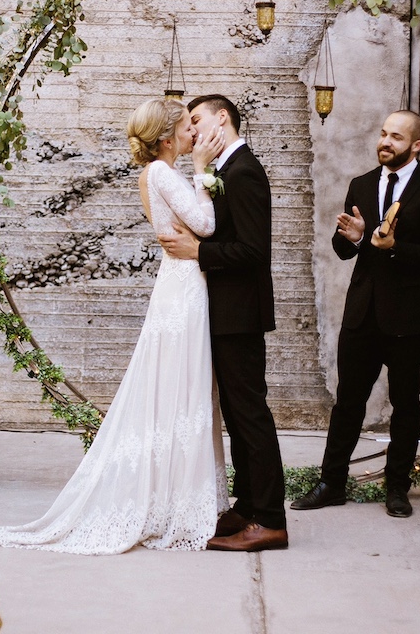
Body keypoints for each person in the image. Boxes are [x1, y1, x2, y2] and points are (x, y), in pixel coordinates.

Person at [0, 98, 228, 554]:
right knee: (182, 384)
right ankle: (176, 503)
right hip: (184, 286)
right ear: (166, 138)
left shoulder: (159, 172)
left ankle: (182, 495)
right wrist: (204, 171)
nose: (193, 134)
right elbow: (204, 223)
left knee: (183, 387)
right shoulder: (163, 173)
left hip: (180, 282)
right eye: (186, 127)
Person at [292, 110, 420, 518]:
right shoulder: (362, 183)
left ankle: (397, 488)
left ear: (416, 145)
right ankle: (332, 483)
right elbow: (345, 247)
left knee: (406, 403)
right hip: (362, 313)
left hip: (410, 316)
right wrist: (353, 237)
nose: (385, 142)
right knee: (348, 402)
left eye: (396, 137)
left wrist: (395, 247)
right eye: (383, 134)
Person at [158, 94, 288, 552]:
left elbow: (254, 251)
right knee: (235, 414)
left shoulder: (245, 171)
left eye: (197, 120)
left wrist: (200, 253)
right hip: (222, 312)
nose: (192, 131)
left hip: (240, 314)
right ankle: (249, 504)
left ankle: (270, 519)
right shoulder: (223, 171)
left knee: (250, 414)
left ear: (223, 118)